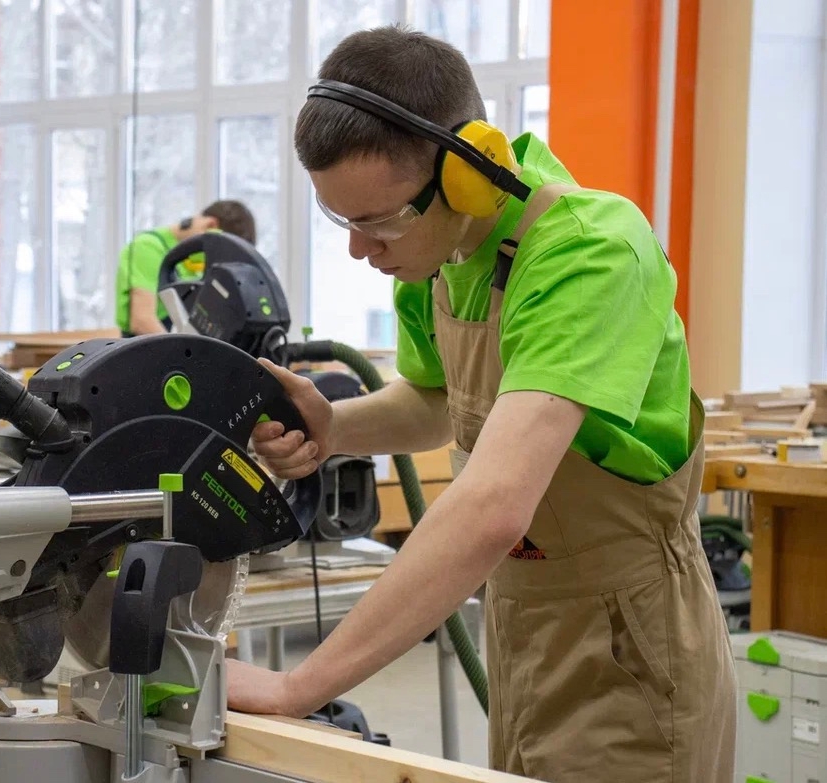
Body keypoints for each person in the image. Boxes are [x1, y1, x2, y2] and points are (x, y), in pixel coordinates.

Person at [226, 25, 736, 783]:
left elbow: (496, 502)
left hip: (629, 640)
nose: (361, 250)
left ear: (470, 171)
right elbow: (441, 402)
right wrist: (337, 427)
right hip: (521, 624)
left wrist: (299, 686)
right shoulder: (442, 254)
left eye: (380, 221)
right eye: (344, 220)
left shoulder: (590, 253)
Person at [115, 200, 256, 336]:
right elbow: (141, 321)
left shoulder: (190, 259)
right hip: (144, 344)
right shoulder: (147, 247)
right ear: (210, 225)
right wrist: (180, 349)